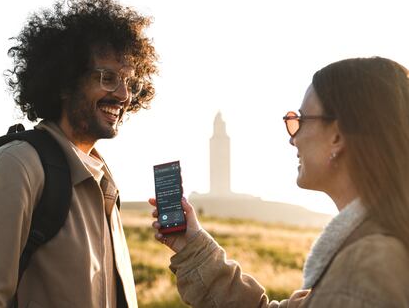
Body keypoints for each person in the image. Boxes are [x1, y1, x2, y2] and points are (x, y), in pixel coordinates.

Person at [150, 57, 409, 307]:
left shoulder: (366, 268)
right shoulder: (365, 254)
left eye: (300, 121)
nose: (292, 138)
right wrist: (192, 246)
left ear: (337, 136)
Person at [0, 0, 157, 307]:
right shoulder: (18, 166)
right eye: (107, 78)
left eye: (128, 82)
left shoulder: (105, 185)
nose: (123, 95)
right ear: (64, 82)